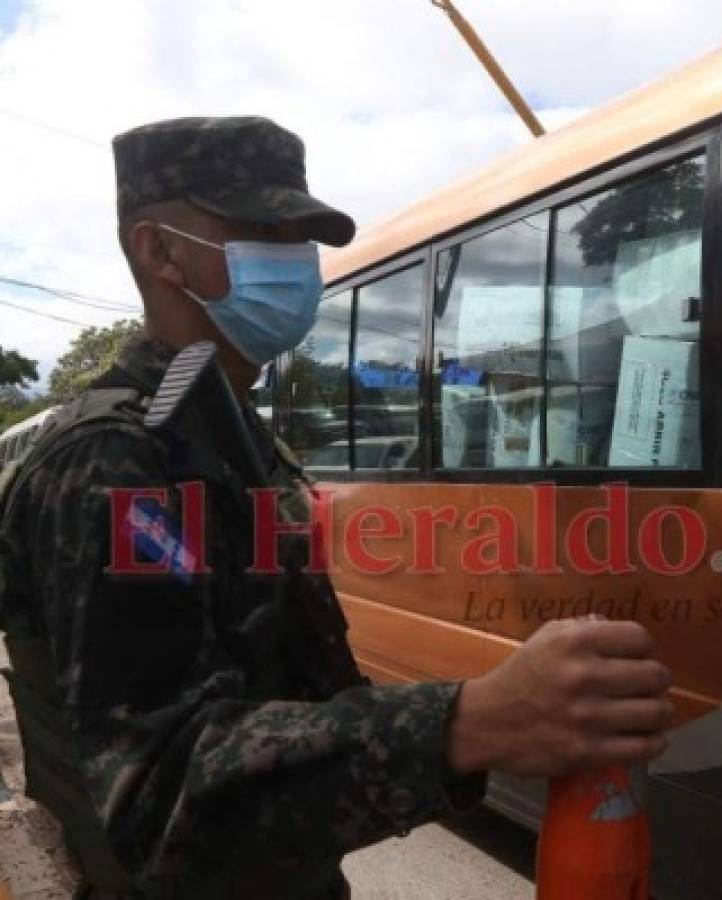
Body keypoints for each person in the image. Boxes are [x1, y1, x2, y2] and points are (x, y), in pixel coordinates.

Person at [0, 116, 674, 899]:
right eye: (261, 230)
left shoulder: (231, 437)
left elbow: (297, 696)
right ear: (160, 252)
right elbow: (156, 789)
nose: (296, 262)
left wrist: (504, 712)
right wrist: (469, 721)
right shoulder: (118, 461)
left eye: (302, 238)